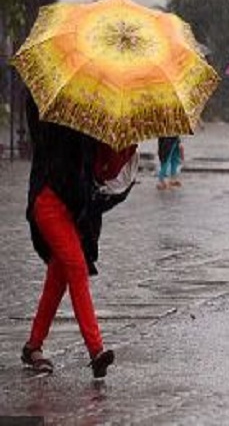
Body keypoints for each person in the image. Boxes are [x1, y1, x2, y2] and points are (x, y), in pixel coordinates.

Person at [22, 94, 138, 378]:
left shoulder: (94, 105)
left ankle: (33, 346)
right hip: (48, 198)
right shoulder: (47, 101)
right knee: (75, 266)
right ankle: (96, 350)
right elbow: (43, 138)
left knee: (59, 276)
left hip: (77, 207)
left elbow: (100, 167)